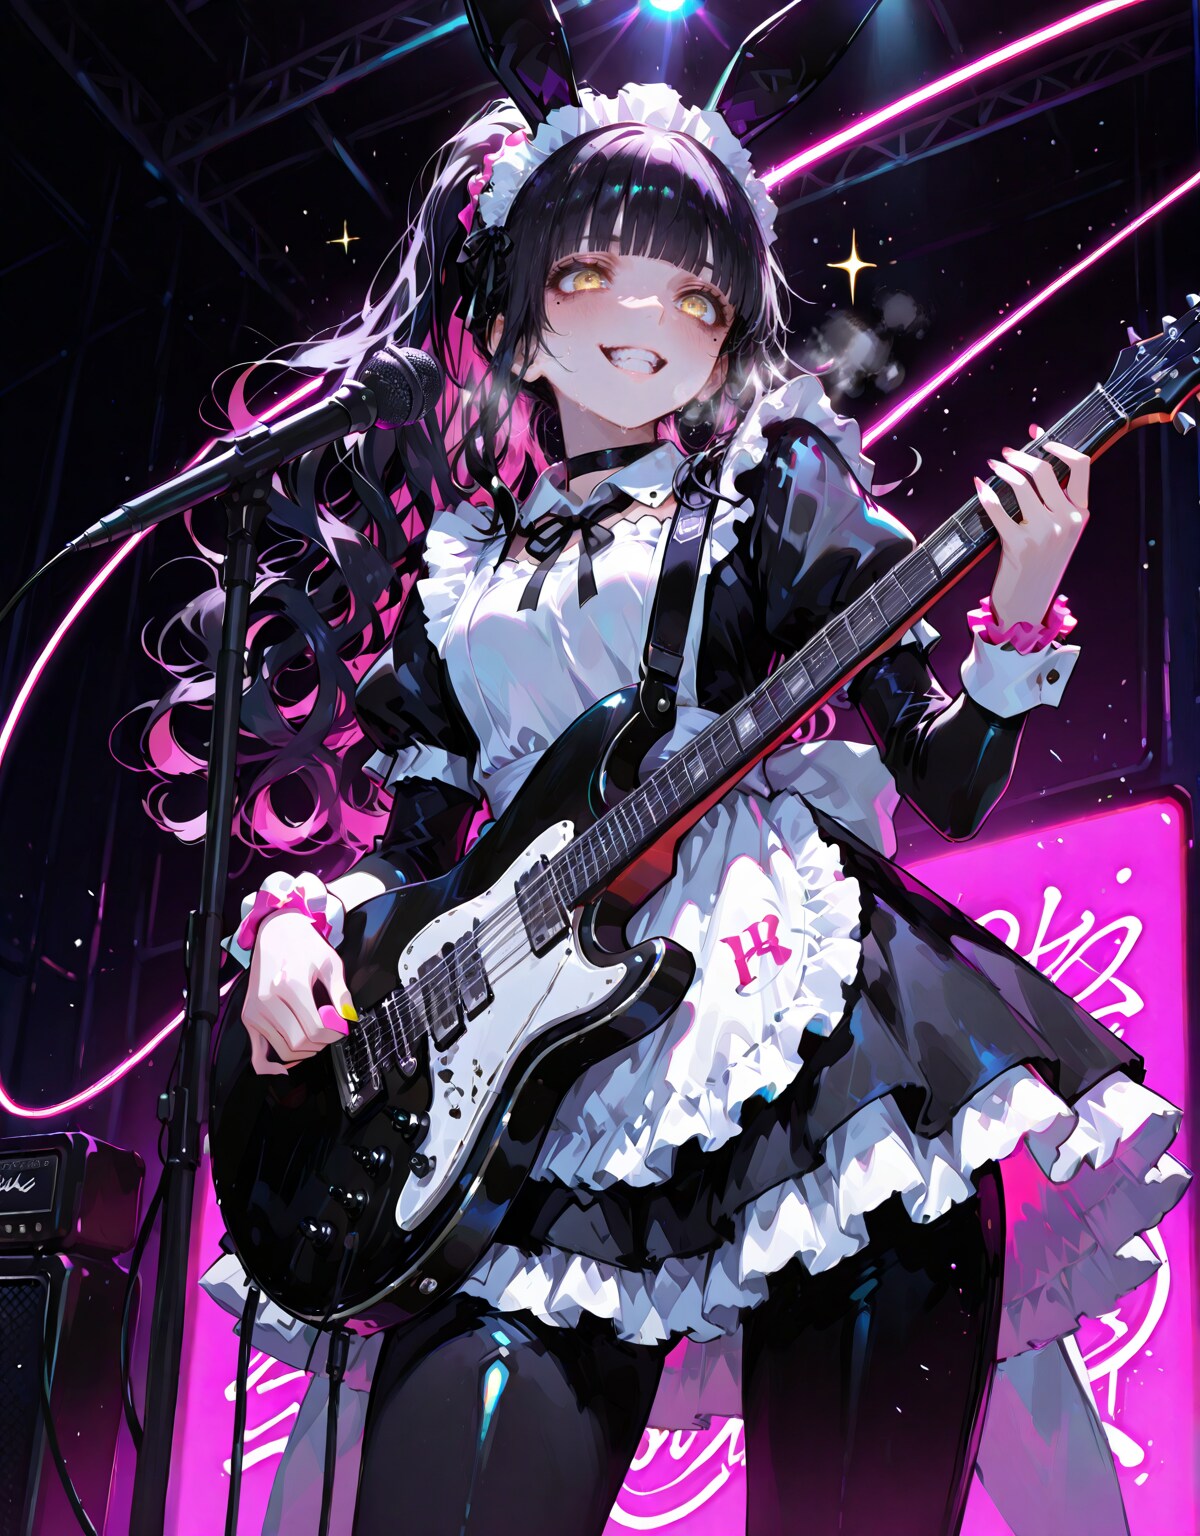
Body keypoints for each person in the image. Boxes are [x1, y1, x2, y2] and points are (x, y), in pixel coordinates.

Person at [160, 7, 1187, 1534]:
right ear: (519, 311)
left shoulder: (775, 494)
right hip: (518, 1093)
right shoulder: (461, 572)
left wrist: (1020, 611)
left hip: (802, 1034)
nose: (643, 314)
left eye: (690, 289)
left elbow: (950, 777)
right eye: (596, 273)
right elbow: (426, 842)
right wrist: (299, 930)